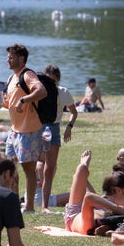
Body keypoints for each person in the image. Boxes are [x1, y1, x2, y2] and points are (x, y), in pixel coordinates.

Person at [0, 44, 46, 213]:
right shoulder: (11, 78)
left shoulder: (28, 75)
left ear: (21, 59)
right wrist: (0, 101)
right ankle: (13, 203)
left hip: (28, 131)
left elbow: (42, 91)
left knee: (28, 170)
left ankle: (29, 207)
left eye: (11, 57)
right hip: (14, 131)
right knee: (9, 167)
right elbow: (10, 102)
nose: (7, 59)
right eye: (8, 56)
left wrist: (24, 100)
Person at [39, 64, 78, 213]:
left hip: (53, 128)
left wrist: (69, 127)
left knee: (49, 169)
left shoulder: (63, 92)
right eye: (47, 80)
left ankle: (44, 206)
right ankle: (28, 201)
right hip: (37, 127)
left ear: (58, 81)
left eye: (53, 81)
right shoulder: (39, 91)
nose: (50, 84)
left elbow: (74, 112)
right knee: (34, 165)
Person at [63, 150, 124, 235]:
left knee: (81, 169)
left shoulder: (87, 226)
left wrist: (117, 208)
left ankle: (81, 176)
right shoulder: (119, 206)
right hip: (98, 209)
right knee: (82, 170)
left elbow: (89, 197)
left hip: (78, 216)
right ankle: (82, 177)